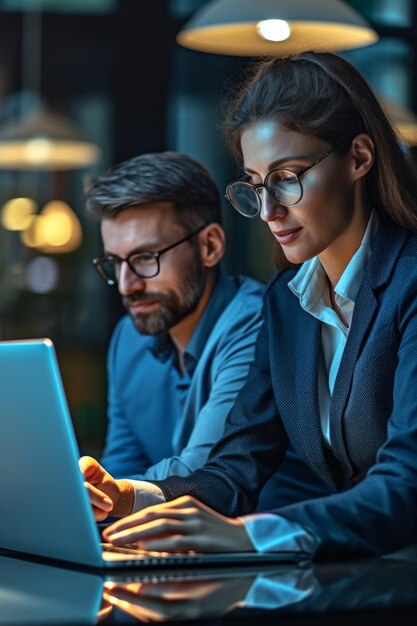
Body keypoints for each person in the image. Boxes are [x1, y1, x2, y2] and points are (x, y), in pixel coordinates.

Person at [83, 52, 417, 559]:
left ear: (359, 158)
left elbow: (407, 481)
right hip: (355, 574)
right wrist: (128, 496)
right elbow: (236, 466)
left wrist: (251, 534)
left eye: (287, 177)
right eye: (257, 186)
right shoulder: (286, 304)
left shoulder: (410, 281)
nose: (267, 211)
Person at [82, 151, 271, 515]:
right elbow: (120, 470)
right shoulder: (129, 338)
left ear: (210, 246)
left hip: (280, 562)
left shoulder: (254, 323)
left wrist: (112, 499)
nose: (126, 286)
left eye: (145, 258)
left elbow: (205, 477)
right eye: (115, 263)